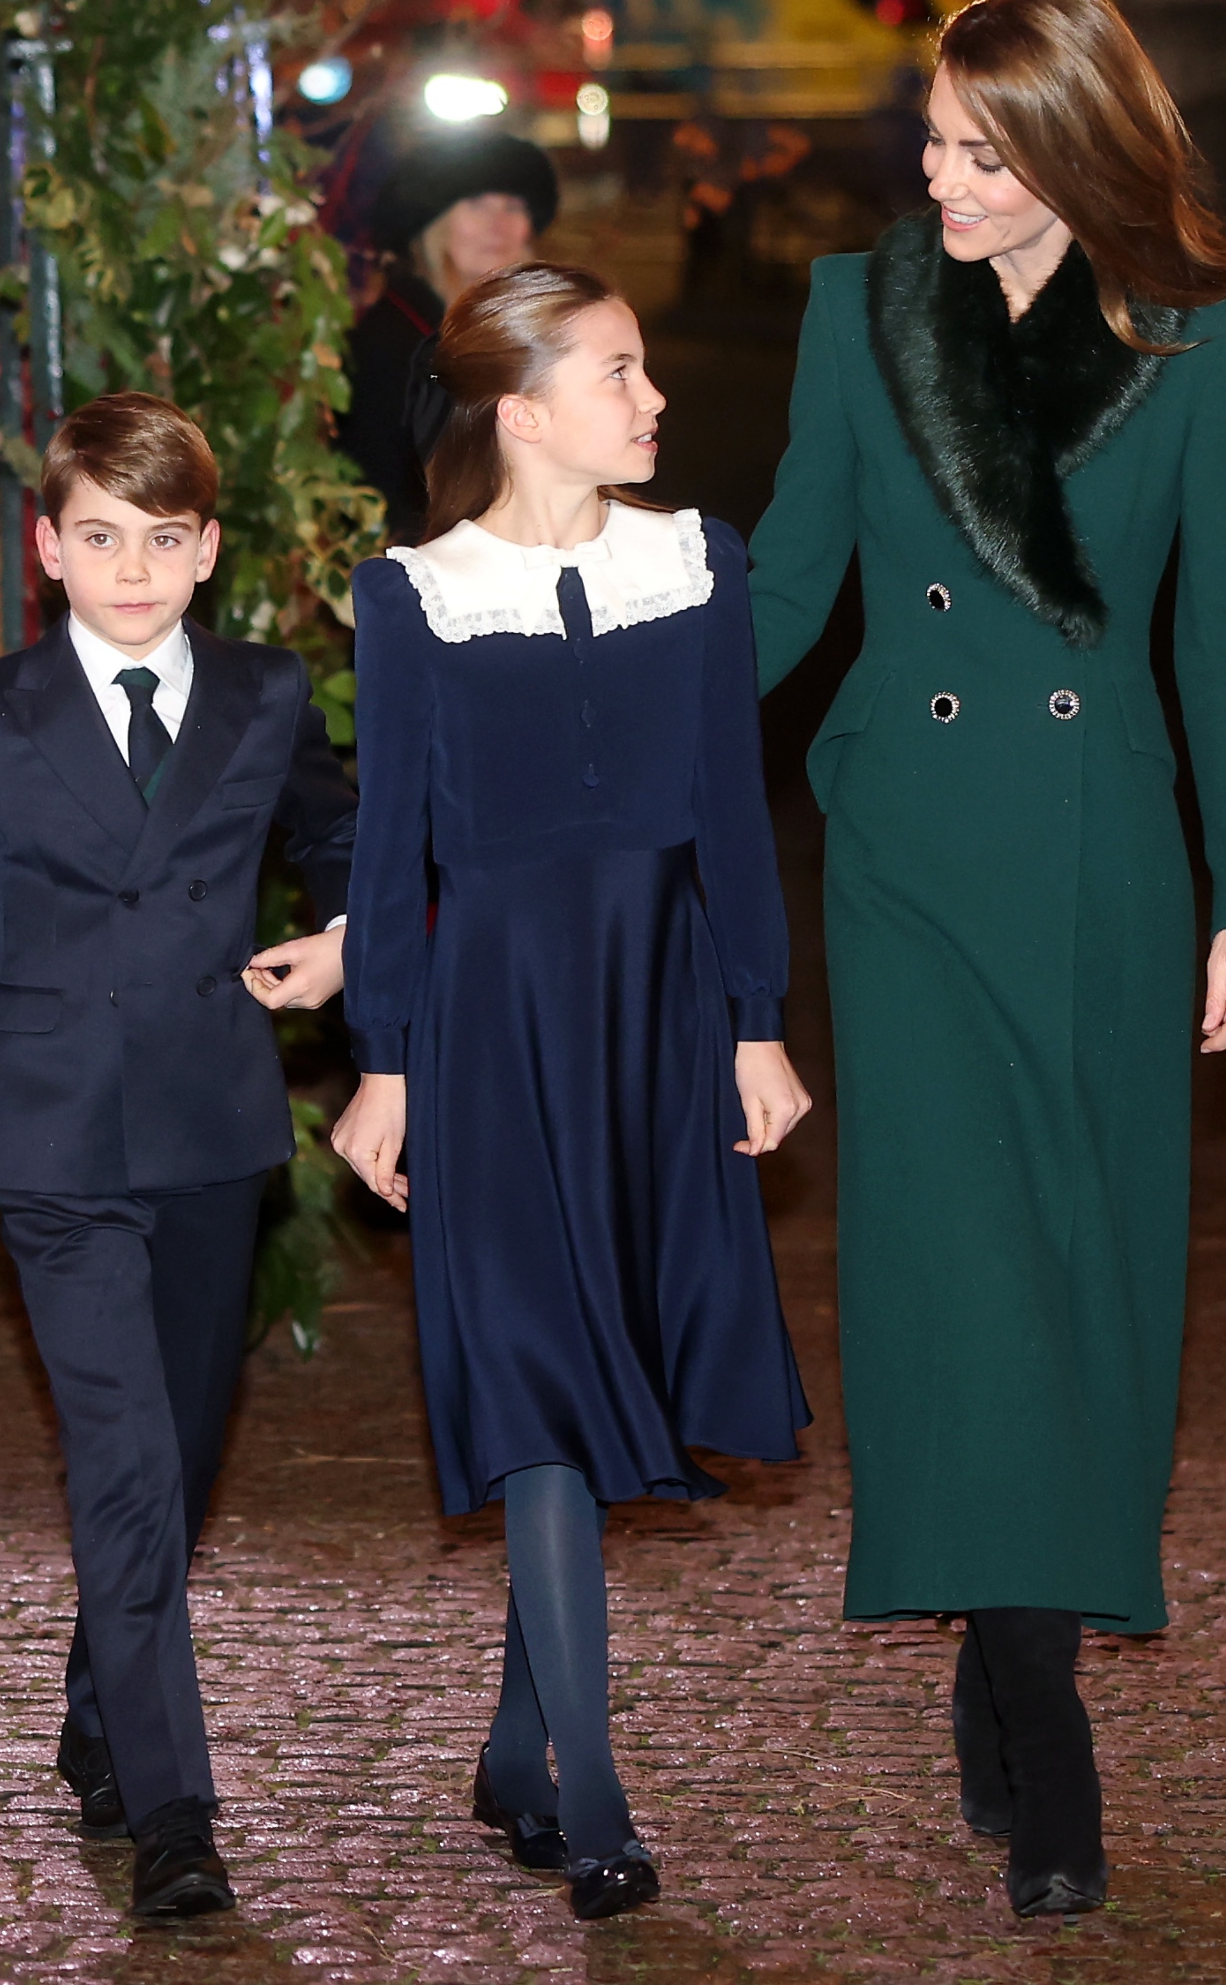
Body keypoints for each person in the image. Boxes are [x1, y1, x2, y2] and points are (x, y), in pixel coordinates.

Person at [744, 0, 1226, 1918]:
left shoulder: (1211, 331)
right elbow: (789, 588)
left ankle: (1018, 1652)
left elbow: (1222, 638)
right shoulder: (860, 311)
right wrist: (588, 728)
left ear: (1080, 155)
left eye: (982, 156)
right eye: (930, 143)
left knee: (1090, 1284)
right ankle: (1041, 1713)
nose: (941, 183)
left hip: (1103, 865)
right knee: (957, 1283)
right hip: (909, 865)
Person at [329, 262, 815, 1921]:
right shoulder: (409, 597)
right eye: (617, 373)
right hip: (490, 1023)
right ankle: (591, 1791)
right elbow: (388, 849)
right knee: (536, 1371)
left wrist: (754, 1017)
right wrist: (380, 1061)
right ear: (523, 411)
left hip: (657, 1010)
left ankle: (512, 1743)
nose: (652, 399)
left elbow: (731, 818)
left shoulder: (698, 560)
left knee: (622, 1350)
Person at [0, 393, 361, 1922]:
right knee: (128, 1461)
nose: (131, 568)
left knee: (186, 1453)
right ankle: (174, 1811)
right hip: (57, 1138)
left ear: (209, 549)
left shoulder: (267, 698)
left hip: (216, 1132)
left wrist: (344, 941)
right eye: (99, 537)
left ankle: (102, 1699)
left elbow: (349, 836)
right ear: (46, 548)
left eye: (162, 539)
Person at [341, 126, 557, 539]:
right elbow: (381, 491)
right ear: (433, 223)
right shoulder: (392, 341)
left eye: (513, 206)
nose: (499, 224)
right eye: (476, 203)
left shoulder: (539, 331)